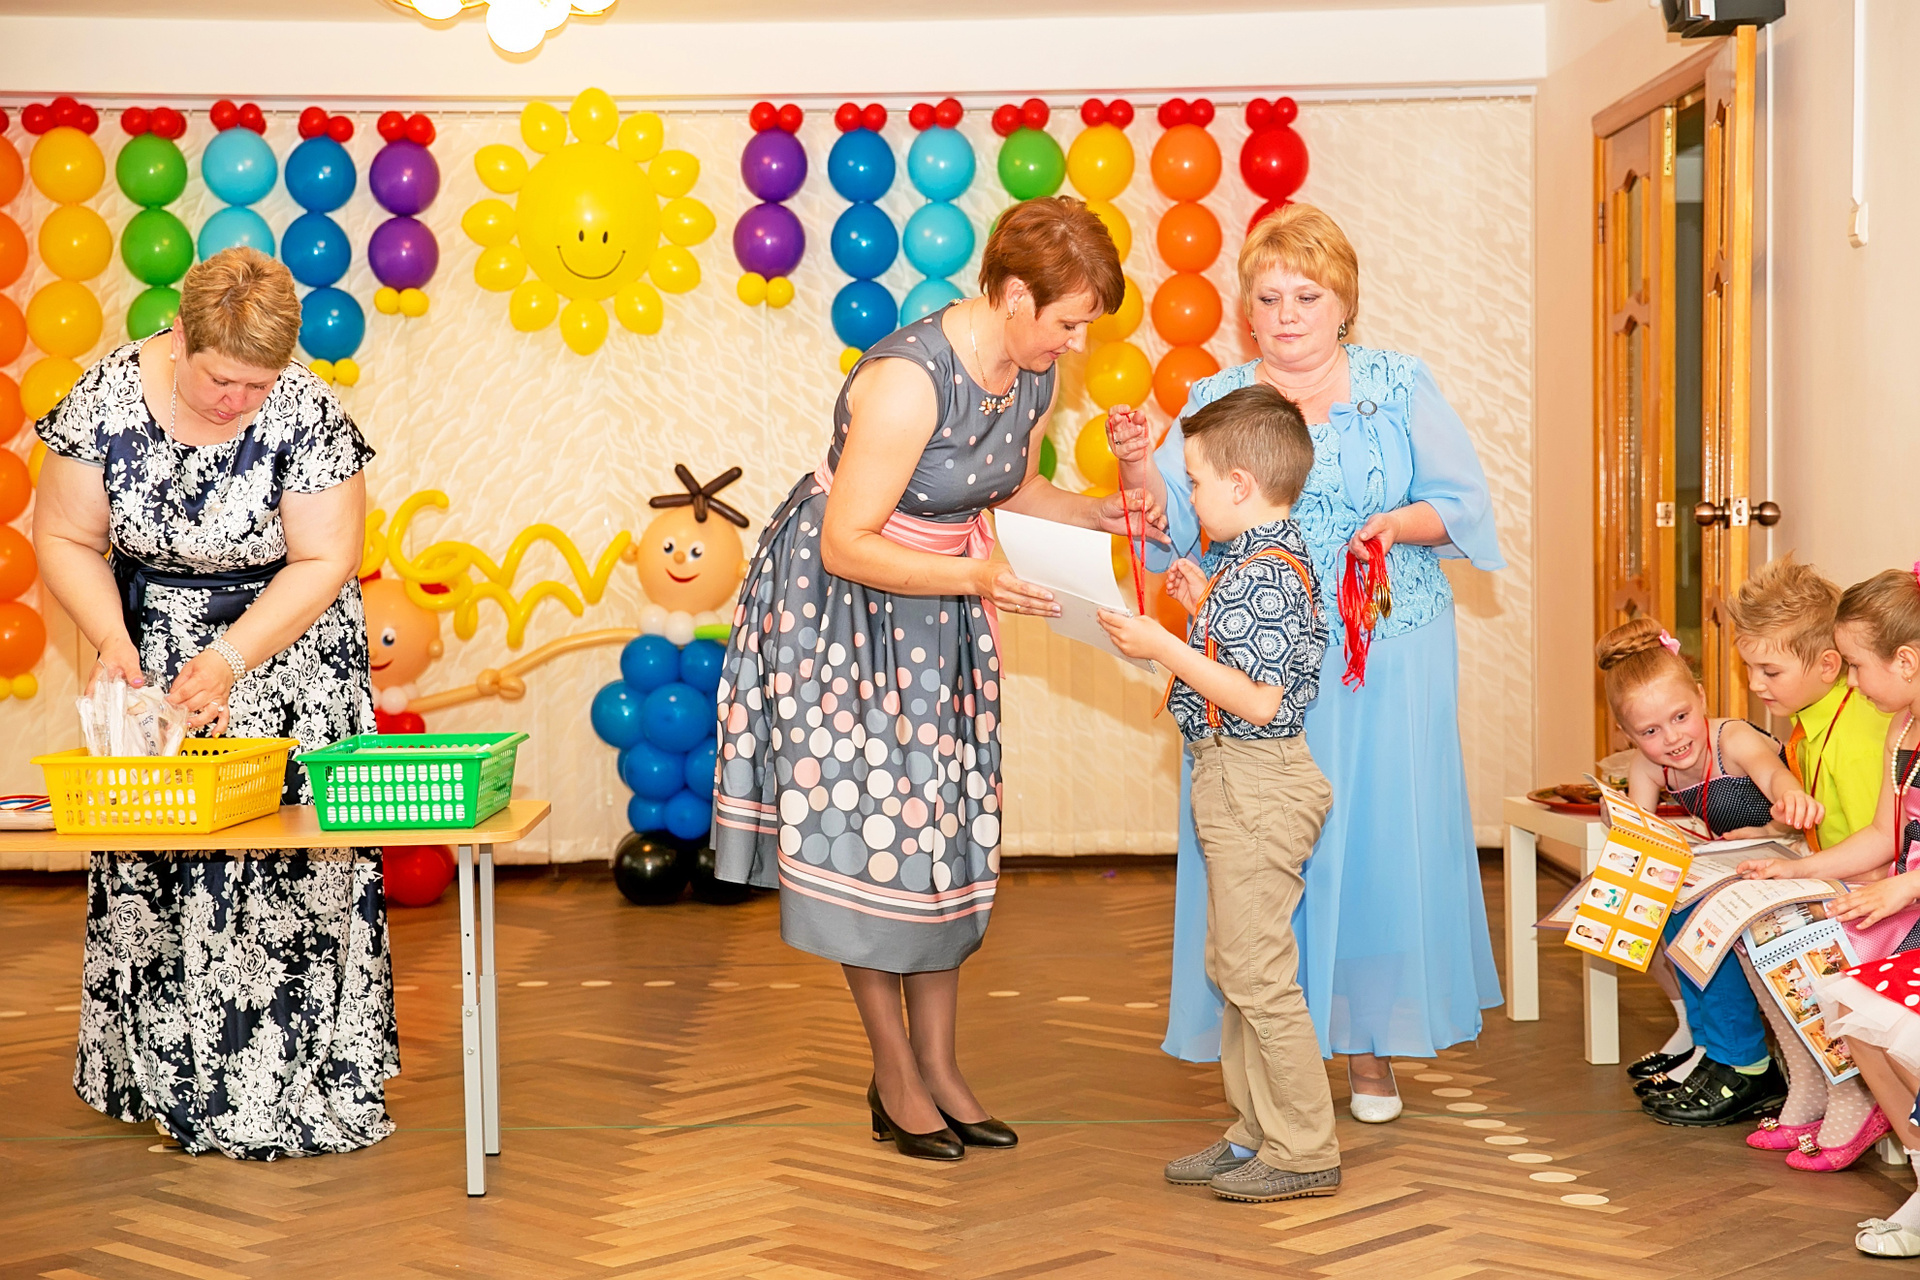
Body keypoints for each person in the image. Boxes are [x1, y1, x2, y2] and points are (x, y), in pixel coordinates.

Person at [712, 197, 1158, 1161]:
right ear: (1012, 296)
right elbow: (846, 542)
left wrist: (1096, 513)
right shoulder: (908, 382)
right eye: (1068, 321)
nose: (1077, 343)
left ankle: (943, 1069)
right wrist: (980, 578)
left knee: (942, 838)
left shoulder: (1030, 370)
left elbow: (1008, 486)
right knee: (872, 843)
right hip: (842, 617)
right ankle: (897, 1077)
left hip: (938, 604)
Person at [1109, 203, 1504, 1119]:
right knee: (1261, 841)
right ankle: (1272, 1055)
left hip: (1385, 650)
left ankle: (1371, 1048)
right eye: (1268, 297)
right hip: (1258, 654)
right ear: (1246, 308)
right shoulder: (1216, 398)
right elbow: (1172, 523)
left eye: (1307, 296)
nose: (1286, 314)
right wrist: (1137, 469)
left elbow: (1464, 505)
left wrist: (1394, 524)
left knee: (1375, 846)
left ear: (1344, 303)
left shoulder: (1400, 385)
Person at [32, 248, 392, 1159]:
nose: (238, 401)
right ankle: (171, 1079)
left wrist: (231, 658)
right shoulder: (106, 397)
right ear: (181, 337)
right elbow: (65, 535)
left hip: (288, 653)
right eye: (221, 380)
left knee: (290, 873)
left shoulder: (307, 410)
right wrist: (112, 640)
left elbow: (327, 557)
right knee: (161, 867)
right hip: (151, 650)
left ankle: (294, 1078)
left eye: (257, 385)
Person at [1099, 385, 1338, 1203]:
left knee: (1259, 974)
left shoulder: (1265, 575)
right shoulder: (1246, 566)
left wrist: (1163, 643)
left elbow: (1261, 700)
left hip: (1257, 779)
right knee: (1235, 965)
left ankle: (1303, 1149)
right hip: (1234, 777)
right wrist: (1201, 610)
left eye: (1196, 481)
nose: (1189, 497)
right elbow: (1248, 658)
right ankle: (1256, 1131)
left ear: (1241, 485)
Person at [1745, 568, 1920, 1256]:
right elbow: (1883, 835)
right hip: (1905, 904)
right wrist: (1797, 869)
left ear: (1905, 662)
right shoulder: (1901, 729)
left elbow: (1895, 867)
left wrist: (1903, 890)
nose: (1851, 680)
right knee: (1846, 1001)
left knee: (1876, 1009)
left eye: (1855, 665)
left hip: (1909, 908)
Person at [1594, 618, 1813, 1126]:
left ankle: (1745, 1060)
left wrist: (1789, 797)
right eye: (1650, 731)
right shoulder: (1649, 765)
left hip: (1791, 851)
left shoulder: (1731, 738)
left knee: (1700, 913)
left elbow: (1772, 773)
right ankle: (1709, 1044)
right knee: (1667, 901)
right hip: (1739, 864)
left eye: (1680, 716)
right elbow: (1641, 830)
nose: (1672, 739)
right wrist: (1619, 817)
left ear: (1701, 697)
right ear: (1627, 735)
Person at [1725, 557, 1891, 1166]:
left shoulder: (1859, 729)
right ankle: (1810, 1082)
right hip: (1844, 877)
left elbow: (1882, 849)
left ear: (1827, 665)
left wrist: (1800, 872)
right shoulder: (1809, 724)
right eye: (1750, 669)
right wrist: (1771, 837)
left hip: (1880, 896)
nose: (1755, 684)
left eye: (1770, 671)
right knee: (1744, 924)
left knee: (1780, 932)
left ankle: (1853, 1089)